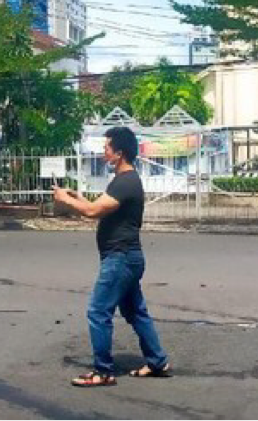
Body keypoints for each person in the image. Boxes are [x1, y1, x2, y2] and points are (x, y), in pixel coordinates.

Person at [53, 126, 170, 387]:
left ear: (119, 153)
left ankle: (103, 371)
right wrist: (78, 198)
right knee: (136, 312)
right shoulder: (123, 180)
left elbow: (94, 211)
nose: (103, 152)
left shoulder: (126, 181)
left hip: (121, 258)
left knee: (98, 311)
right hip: (126, 257)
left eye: (106, 148)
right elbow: (100, 206)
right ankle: (158, 361)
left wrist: (65, 200)